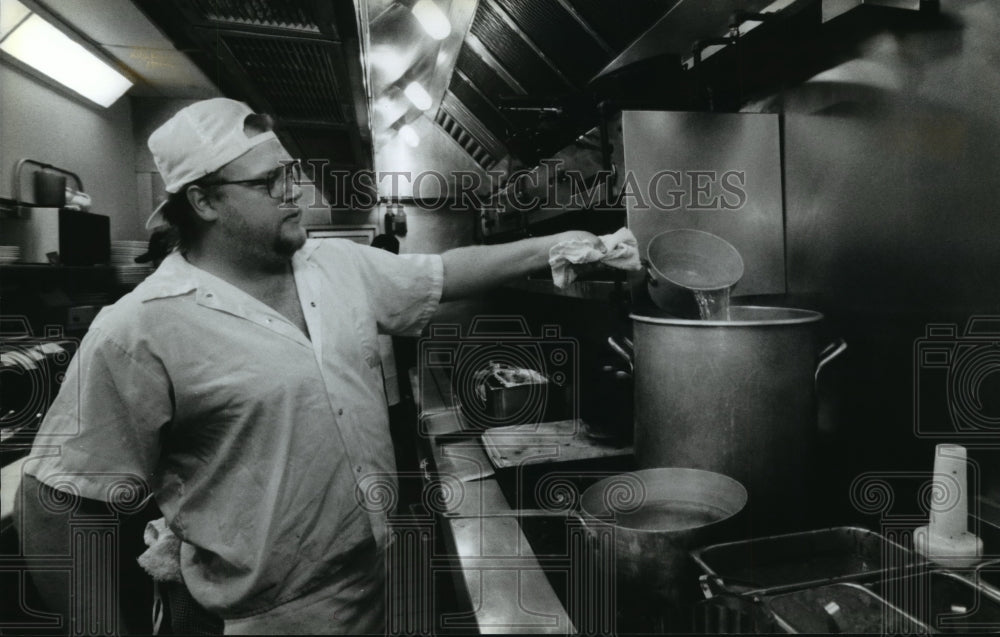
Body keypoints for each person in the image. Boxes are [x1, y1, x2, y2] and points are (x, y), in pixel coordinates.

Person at [16, 97, 601, 635]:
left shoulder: (334, 265)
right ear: (204, 200)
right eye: (271, 181)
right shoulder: (140, 328)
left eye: (289, 172)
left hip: (375, 582)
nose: (294, 190)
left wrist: (564, 245)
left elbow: (444, 274)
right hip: (259, 618)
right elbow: (55, 498)